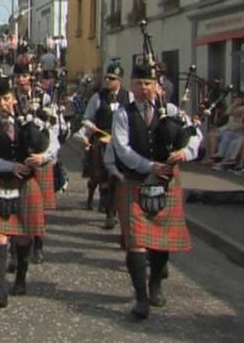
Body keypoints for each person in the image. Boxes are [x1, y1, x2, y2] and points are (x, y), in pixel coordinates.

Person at [110, 62, 201, 320]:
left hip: (166, 184)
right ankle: (140, 298)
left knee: (161, 241)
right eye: (139, 84)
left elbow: (194, 134)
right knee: (136, 241)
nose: (144, 89)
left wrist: (185, 152)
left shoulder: (170, 110)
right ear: (131, 85)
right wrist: (150, 166)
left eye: (148, 84)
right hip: (137, 181)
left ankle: (155, 284)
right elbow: (122, 149)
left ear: (156, 86)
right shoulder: (123, 114)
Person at [0, 75, 47, 308]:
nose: (3, 104)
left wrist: (43, 156)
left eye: (7, 98)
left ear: (14, 98)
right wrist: (11, 166)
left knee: (25, 235)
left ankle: (20, 279)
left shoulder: (30, 120)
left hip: (26, 184)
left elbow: (54, 141)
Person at [12, 62, 60, 264]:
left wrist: (46, 155)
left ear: (30, 77)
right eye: (18, 76)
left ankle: (38, 243)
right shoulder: (10, 98)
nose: (21, 80)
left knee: (39, 207)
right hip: (18, 157)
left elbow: (55, 128)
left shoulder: (45, 97)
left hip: (41, 157)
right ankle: (15, 249)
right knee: (14, 205)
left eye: (25, 76)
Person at [79, 61, 133, 229]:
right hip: (102, 143)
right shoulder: (97, 97)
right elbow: (87, 118)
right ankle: (107, 210)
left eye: (112, 78)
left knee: (117, 178)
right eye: (107, 78)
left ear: (120, 80)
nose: (108, 81)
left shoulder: (129, 97)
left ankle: (113, 211)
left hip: (122, 145)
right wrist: (88, 129)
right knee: (102, 176)